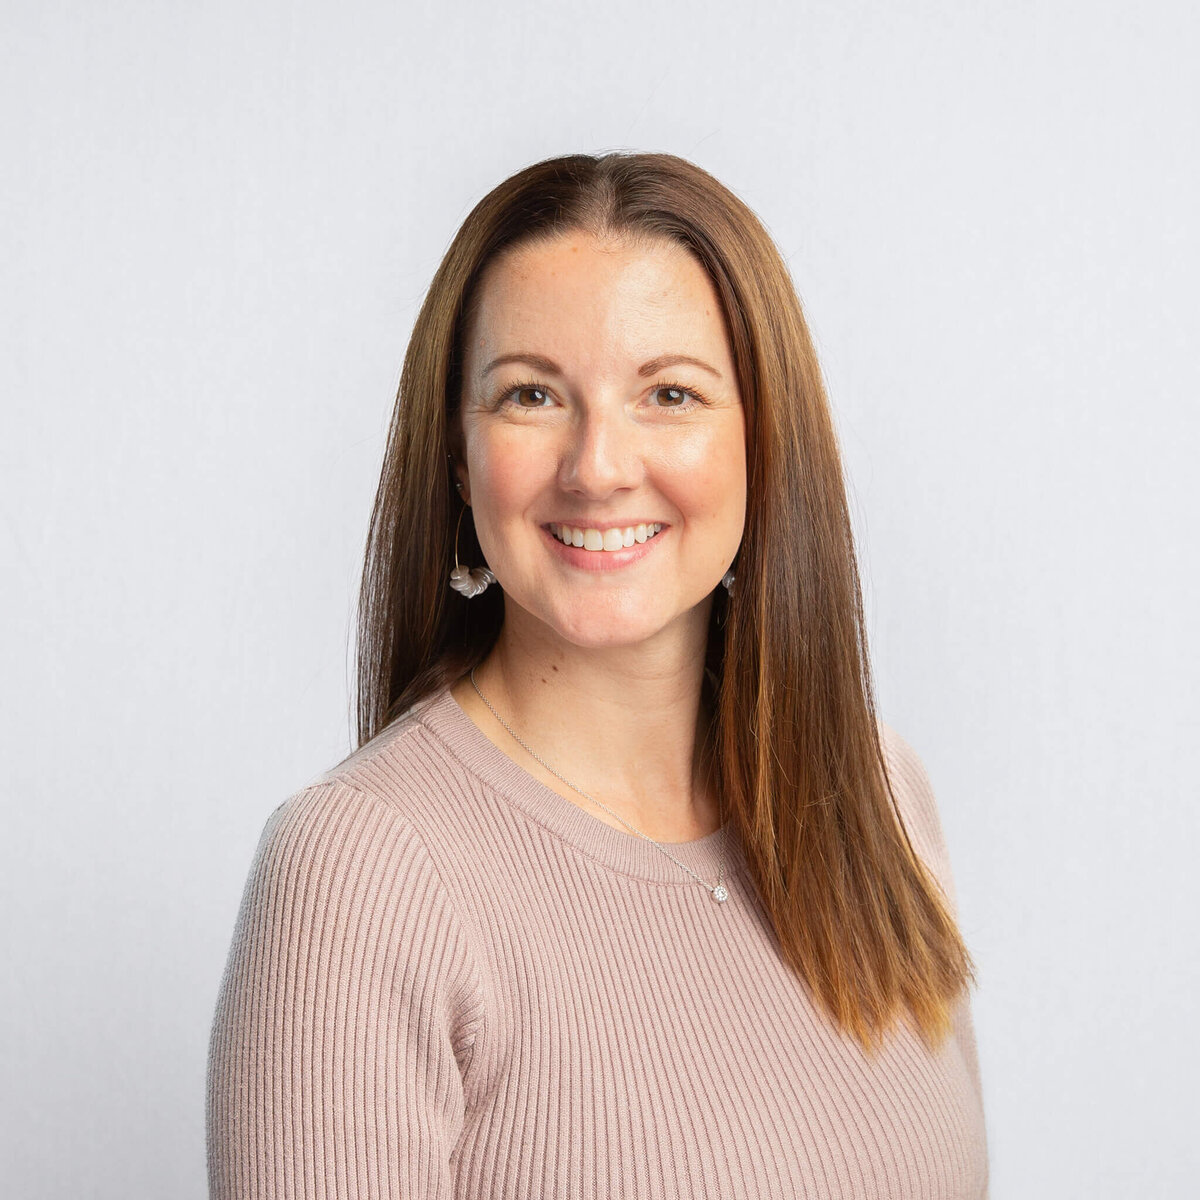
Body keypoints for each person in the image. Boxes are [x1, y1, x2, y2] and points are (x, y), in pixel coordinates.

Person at [206, 151, 989, 1198]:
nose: (599, 465)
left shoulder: (882, 798)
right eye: (532, 394)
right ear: (456, 452)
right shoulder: (359, 876)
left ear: (765, 441)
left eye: (669, 393)